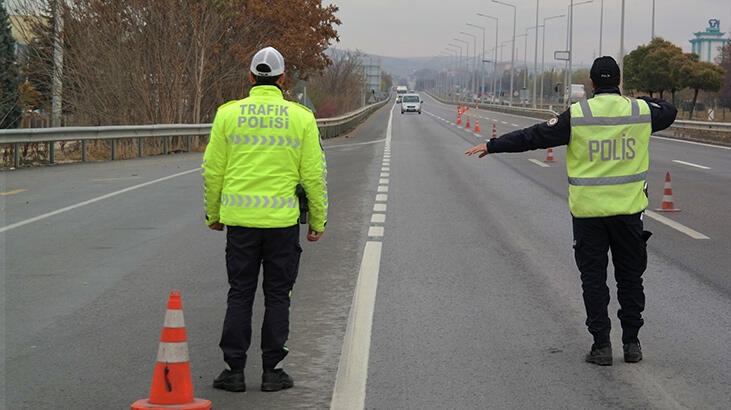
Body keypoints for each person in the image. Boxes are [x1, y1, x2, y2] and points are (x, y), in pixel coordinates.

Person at [465, 56, 676, 366]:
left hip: (589, 214)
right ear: (619, 83)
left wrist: (493, 145)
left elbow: (533, 137)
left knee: (593, 279)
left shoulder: (577, 115)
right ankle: (632, 344)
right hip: (628, 213)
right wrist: (637, 99)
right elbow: (668, 110)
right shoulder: (639, 111)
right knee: (630, 279)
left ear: (590, 84)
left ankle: (602, 346)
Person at [202, 46, 328, 392]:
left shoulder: (228, 115)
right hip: (282, 225)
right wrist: (318, 220)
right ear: (283, 78)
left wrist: (213, 214)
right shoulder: (300, 117)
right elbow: (314, 175)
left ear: (250, 76)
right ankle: (273, 371)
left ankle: (234, 371)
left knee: (240, 292)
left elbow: (213, 171)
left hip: (240, 223)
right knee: (277, 295)